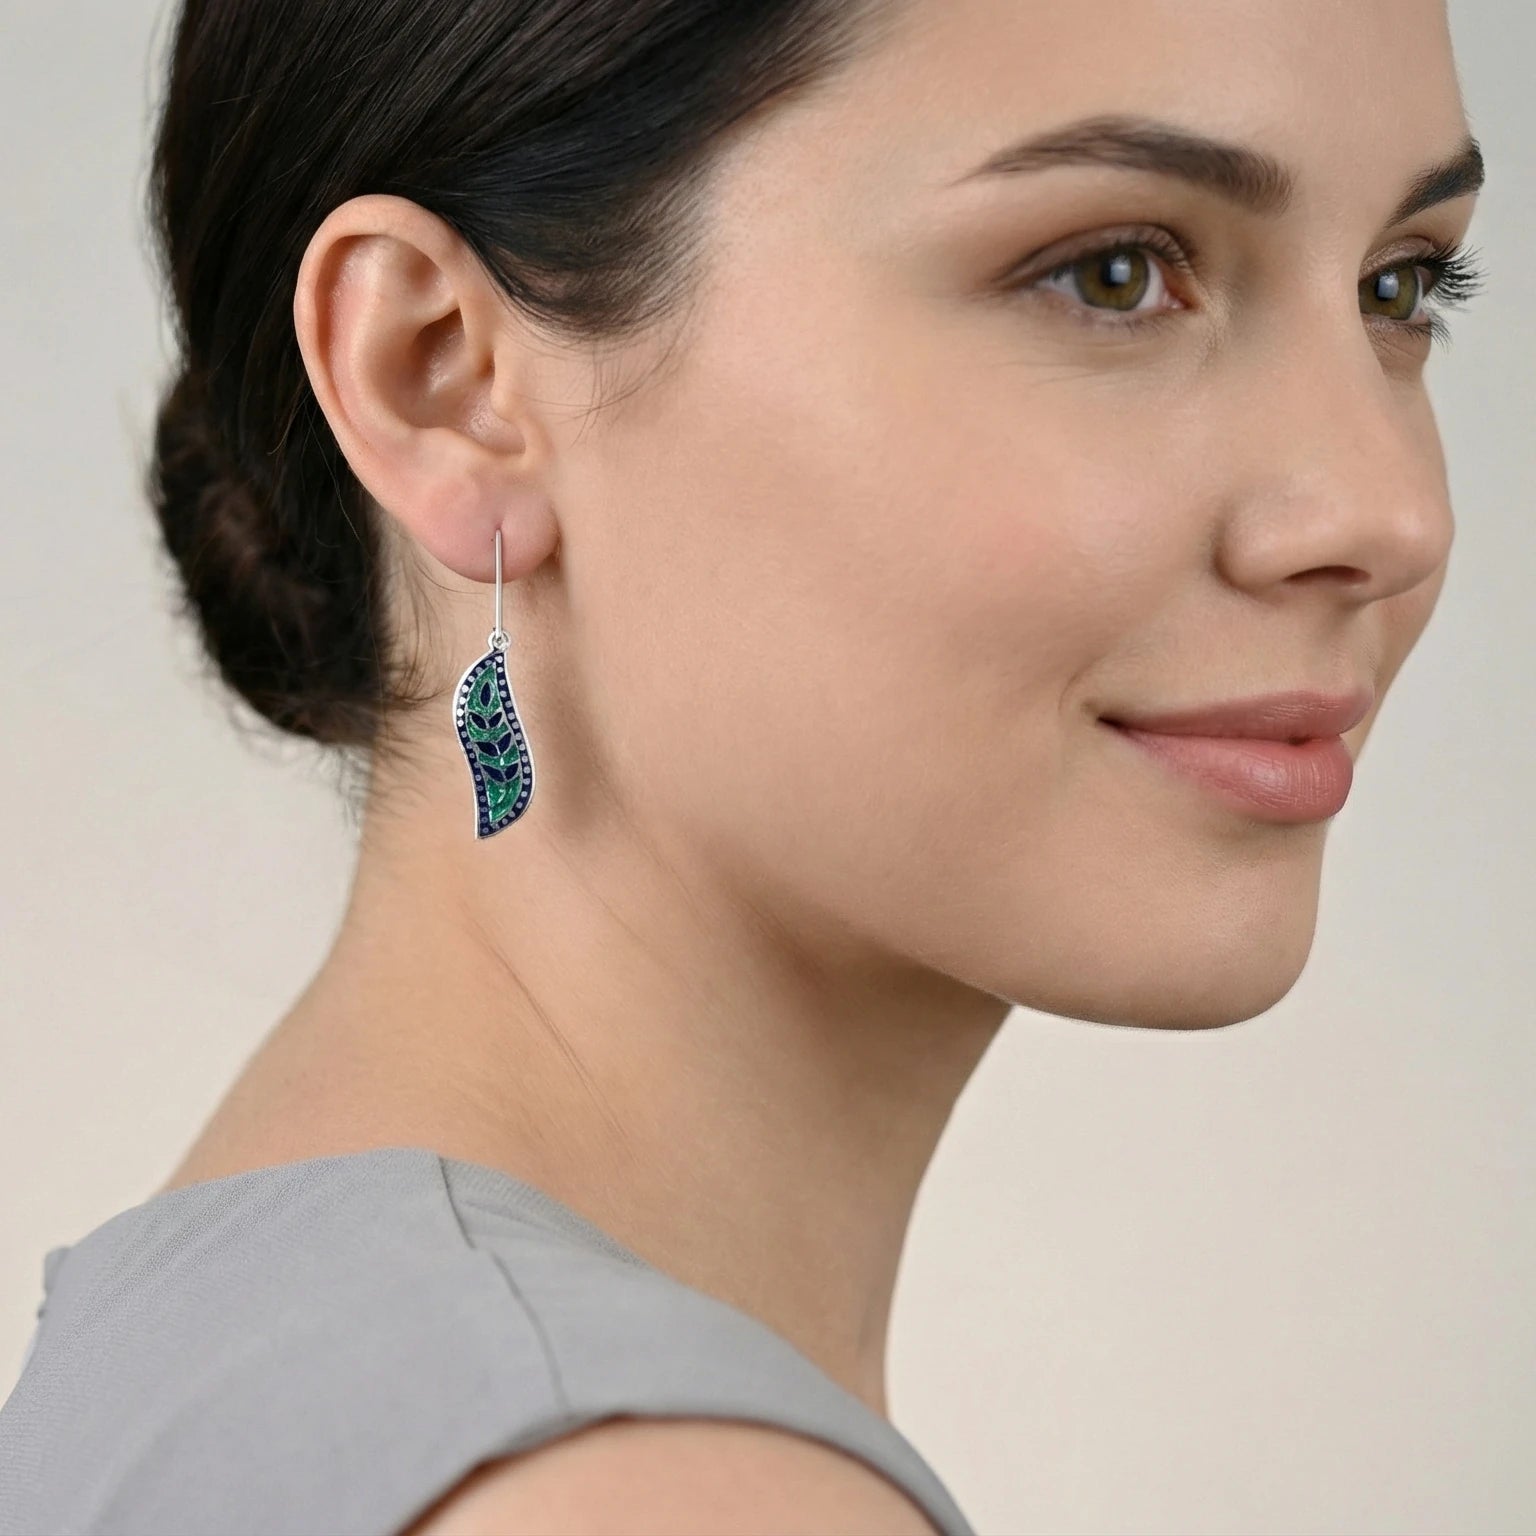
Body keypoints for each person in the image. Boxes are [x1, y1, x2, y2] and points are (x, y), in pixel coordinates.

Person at [0, 0, 1488, 1531]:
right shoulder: (643, 1493)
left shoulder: (212, 1343)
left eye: (1401, 285)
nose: (1387, 511)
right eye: (1111, 274)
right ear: (441, 378)